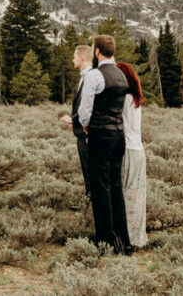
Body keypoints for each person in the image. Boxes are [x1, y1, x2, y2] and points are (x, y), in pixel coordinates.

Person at [78, 34, 132, 254]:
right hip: (119, 136)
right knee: (116, 187)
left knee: (101, 189)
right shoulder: (121, 74)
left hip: (100, 135)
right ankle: (123, 241)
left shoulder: (94, 76)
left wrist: (86, 128)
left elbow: (84, 112)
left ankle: (105, 242)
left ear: (97, 51)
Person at [117, 61, 147, 248]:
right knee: (136, 195)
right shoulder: (134, 98)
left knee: (126, 193)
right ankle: (136, 237)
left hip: (127, 148)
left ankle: (128, 238)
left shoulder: (125, 99)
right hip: (137, 149)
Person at [59, 44, 94, 198]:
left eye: (74, 57)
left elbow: (88, 108)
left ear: (82, 57)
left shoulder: (90, 78)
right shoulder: (85, 77)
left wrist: (74, 120)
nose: (72, 60)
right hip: (82, 134)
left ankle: (91, 205)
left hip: (87, 136)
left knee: (91, 173)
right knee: (87, 173)